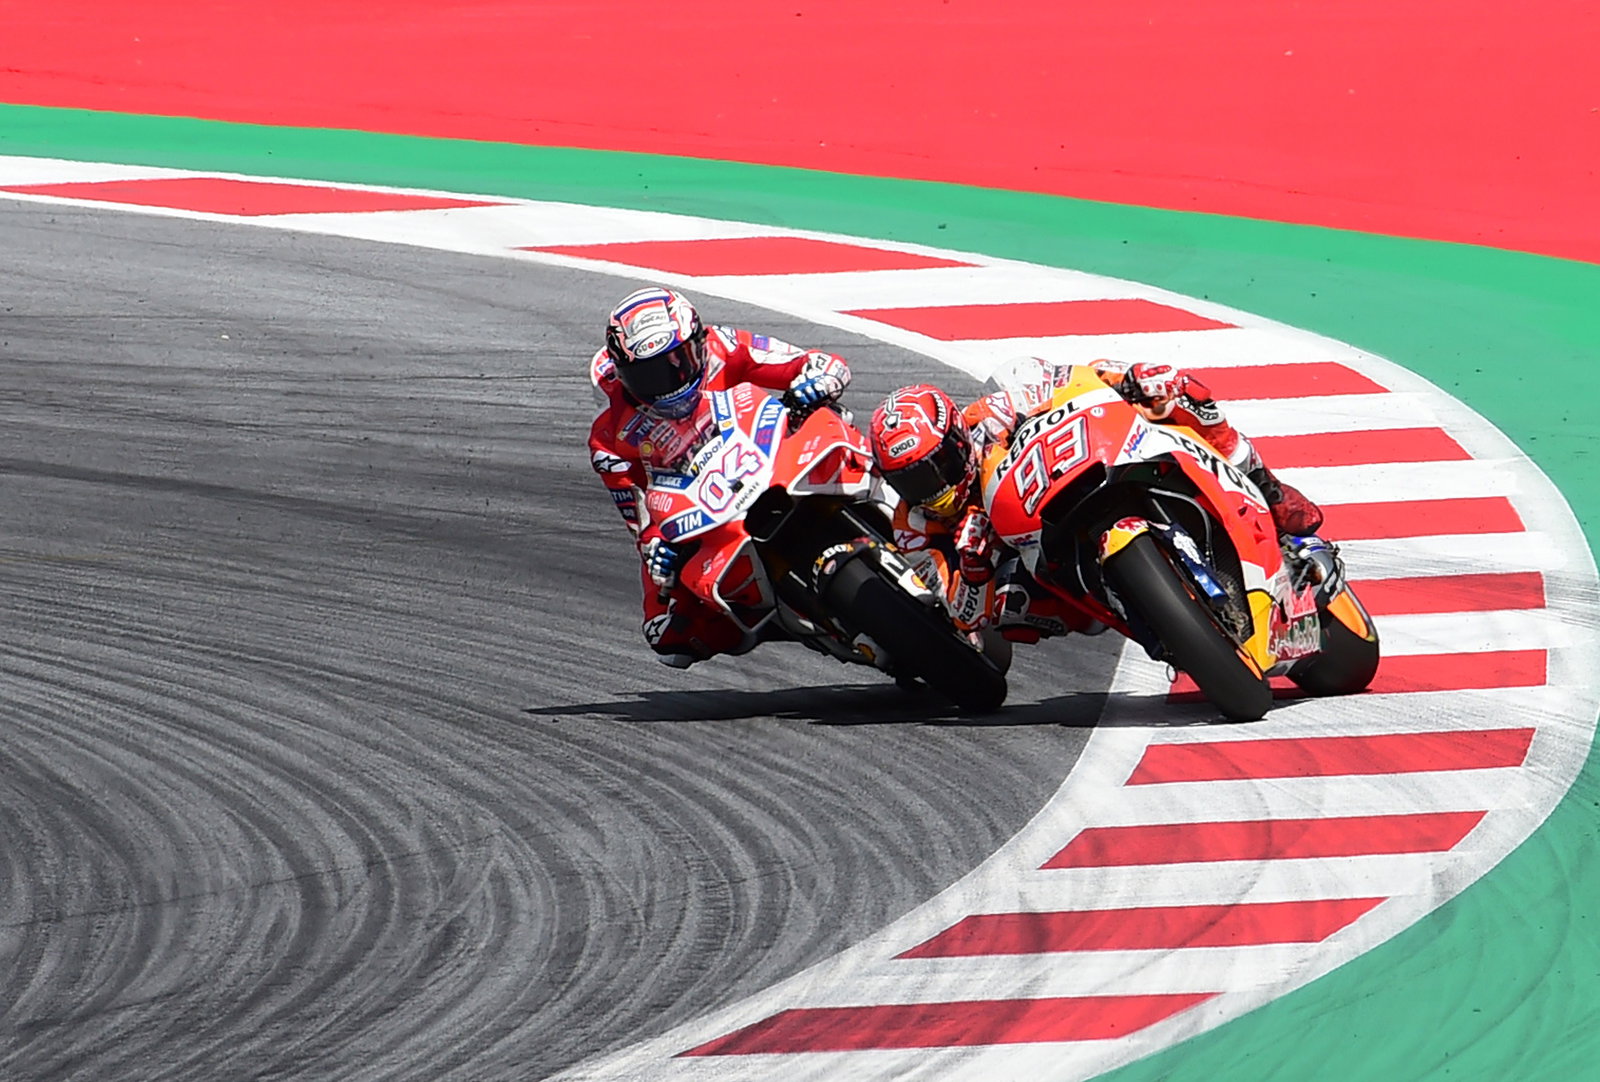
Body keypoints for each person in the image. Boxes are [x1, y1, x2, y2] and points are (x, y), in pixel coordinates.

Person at [866, 359, 1324, 643]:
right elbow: (963, 616)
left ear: (957, 441)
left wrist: (1128, 379)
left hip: (1072, 475)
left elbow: (1073, 381)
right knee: (1012, 606)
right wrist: (972, 566)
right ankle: (1152, 618)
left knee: (1181, 394)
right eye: (910, 482)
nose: (931, 490)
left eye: (936, 466)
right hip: (1035, 560)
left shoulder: (990, 414)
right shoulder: (911, 526)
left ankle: (1268, 490)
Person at [588, 286, 852, 668]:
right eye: (648, 375)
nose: (669, 381)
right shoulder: (609, 438)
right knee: (667, 635)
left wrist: (820, 379)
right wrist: (657, 550)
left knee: (850, 424)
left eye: (678, 362)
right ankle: (767, 619)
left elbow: (811, 362)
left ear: (699, 341)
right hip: (704, 509)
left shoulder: (723, 346)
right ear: (622, 374)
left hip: (774, 454)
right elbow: (640, 520)